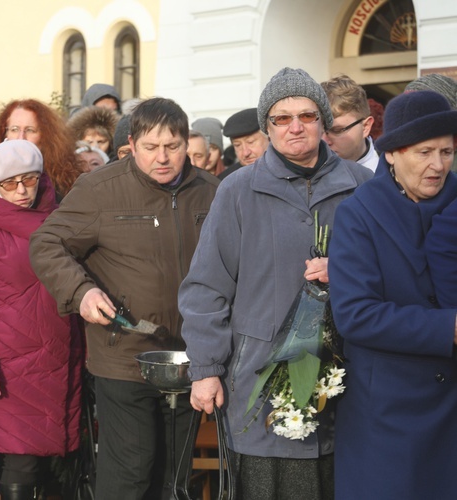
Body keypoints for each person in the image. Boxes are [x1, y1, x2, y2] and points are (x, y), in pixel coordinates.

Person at [180, 68, 372, 500]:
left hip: (347, 384)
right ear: (267, 127)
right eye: (282, 118)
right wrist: (206, 369)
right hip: (260, 383)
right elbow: (207, 288)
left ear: (324, 122)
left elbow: (390, 276)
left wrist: (342, 272)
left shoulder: (362, 187)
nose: (295, 127)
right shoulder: (237, 191)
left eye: (306, 115)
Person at [30, 97, 220, 499]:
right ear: (131, 145)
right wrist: (81, 291)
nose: (163, 157)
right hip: (124, 355)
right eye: (151, 148)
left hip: (192, 359)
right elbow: (46, 243)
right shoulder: (100, 189)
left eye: (173, 146)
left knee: (174, 479)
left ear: (188, 144)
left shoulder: (212, 192)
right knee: (131, 474)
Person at [329, 90, 457, 499]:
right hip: (387, 415)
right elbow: (356, 314)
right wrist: (447, 327)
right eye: (424, 152)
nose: (438, 165)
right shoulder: (359, 213)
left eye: (447, 152)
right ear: (391, 154)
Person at [0, 140, 83, 499]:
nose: (22, 190)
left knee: (56, 464)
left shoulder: (59, 220)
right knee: (21, 461)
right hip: (8, 367)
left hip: (59, 361)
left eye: (30, 179)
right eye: (11, 183)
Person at [0, 99, 80, 197]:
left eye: (30, 130)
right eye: (14, 129)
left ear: (45, 136)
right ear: (4, 133)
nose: (21, 137)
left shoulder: (62, 182)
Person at [321, 74, 378, 171]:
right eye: (320, 131)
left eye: (337, 130)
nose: (325, 141)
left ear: (365, 127)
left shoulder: (394, 173)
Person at [219, 107, 269, 179]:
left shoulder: (288, 170)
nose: (245, 153)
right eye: (237, 145)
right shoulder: (227, 181)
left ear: (269, 138)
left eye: (250, 142)